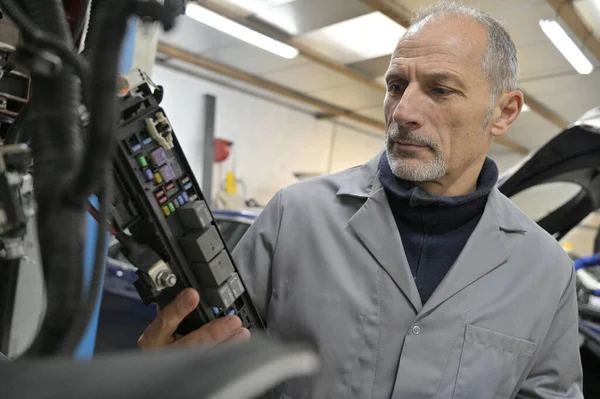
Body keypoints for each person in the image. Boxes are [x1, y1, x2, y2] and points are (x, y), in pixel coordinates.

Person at [138, 2, 584, 398]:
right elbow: (218, 358)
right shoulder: (294, 215)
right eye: (395, 85)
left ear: (504, 112)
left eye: (440, 89)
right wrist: (168, 373)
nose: (403, 112)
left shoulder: (545, 269)